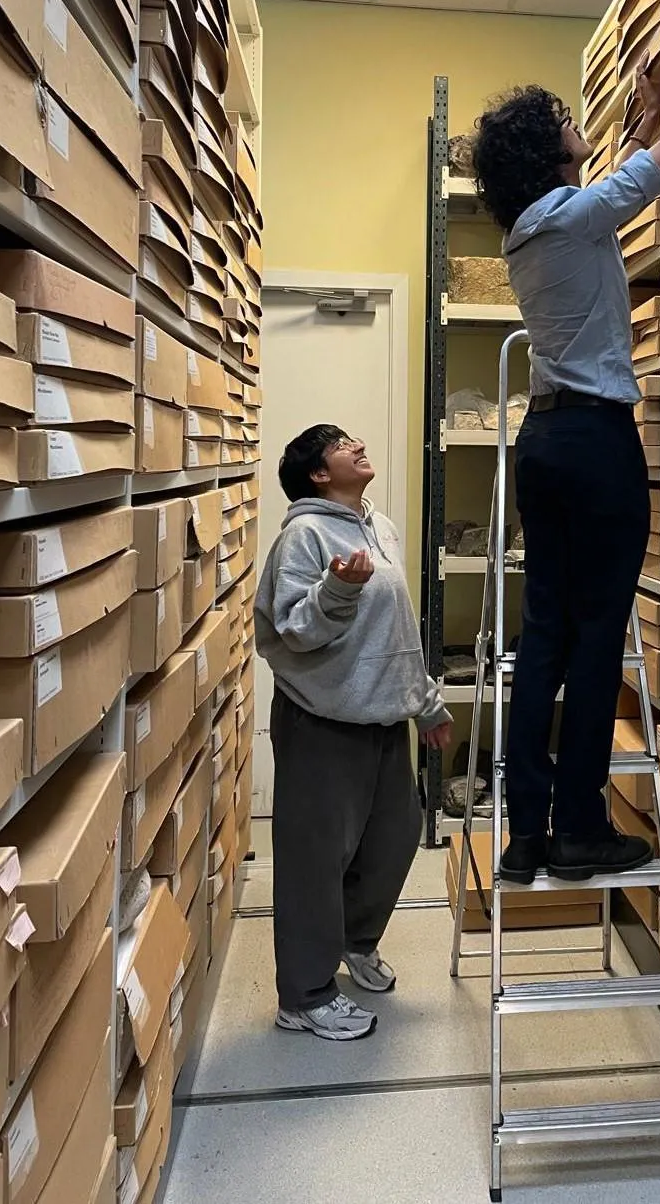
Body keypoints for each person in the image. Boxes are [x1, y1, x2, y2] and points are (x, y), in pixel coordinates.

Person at [472, 5, 660, 885]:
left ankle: (525, 836)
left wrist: (642, 110)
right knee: (596, 639)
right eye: (562, 122)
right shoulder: (581, 216)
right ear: (551, 154)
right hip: (593, 442)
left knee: (544, 635)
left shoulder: (532, 229)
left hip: (542, 442)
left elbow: (629, 164)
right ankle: (582, 829)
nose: (572, 124)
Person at [255, 425, 453, 1040]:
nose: (360, 444)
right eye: (343, 444)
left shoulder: (380, 526)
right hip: (321, 720)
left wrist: (425, 703)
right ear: (318, 473)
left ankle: (353, 942)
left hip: (383, 716)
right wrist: (337, 589)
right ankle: (306, 994)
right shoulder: (303, 535)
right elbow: (293, 631)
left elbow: (399, 630)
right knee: (316, 859)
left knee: (395, 836)